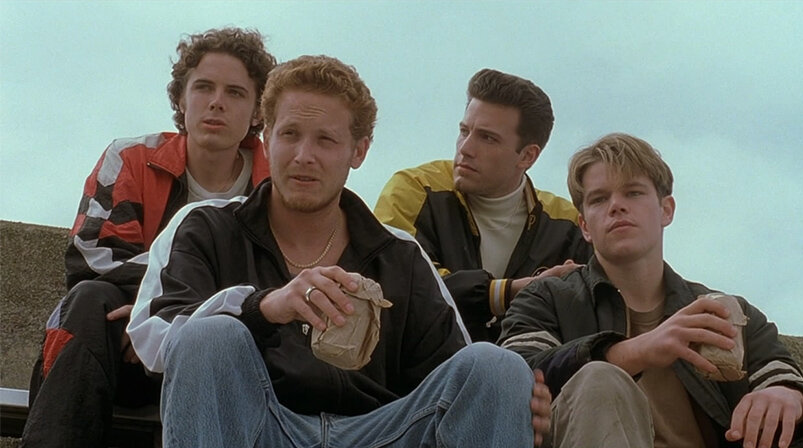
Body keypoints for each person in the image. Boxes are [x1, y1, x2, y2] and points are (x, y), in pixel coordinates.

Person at [127, 54, 552, 447]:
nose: (303, 156)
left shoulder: (399, 253)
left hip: (382, 433)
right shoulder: (206, 226)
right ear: (267, 139)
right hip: (255, 427)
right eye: (289, 134)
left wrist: (512, 397)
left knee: (498, 367)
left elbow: (455, 375)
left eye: (326, 140)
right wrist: (263, 308)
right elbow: (156, 340)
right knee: (208, 335)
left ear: (359, 151)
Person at [21, 27, 277, 447]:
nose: (216, 102)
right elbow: (92, 256)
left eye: (235, 92)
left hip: (235, 350)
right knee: (89, 300)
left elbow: (281, 280)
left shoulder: (276, 187)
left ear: (256, 112)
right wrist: (148, 315)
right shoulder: (131, 158)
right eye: (204, 87)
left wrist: (171, 314)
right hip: (125, 348)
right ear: (181, 99)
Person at [500, 133, 803, 447]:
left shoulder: (727, 312)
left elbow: (794, 386)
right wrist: (633, 352)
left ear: (666, 210)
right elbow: (508, 381)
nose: (616, 206)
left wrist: (792, 397)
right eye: (599, 199)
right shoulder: (547, 298)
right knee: (599, 378)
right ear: (584, 225)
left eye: (633, 193)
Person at [374, 69, 592, 342]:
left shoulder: (569, 224)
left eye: (487, 138)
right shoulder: (414, 189)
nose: (465, 148)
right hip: (424, 364)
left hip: (533, 365)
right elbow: (397, 285)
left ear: (527, 156)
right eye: (464, 131)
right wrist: (508, 292)